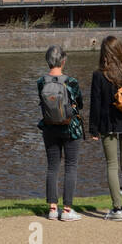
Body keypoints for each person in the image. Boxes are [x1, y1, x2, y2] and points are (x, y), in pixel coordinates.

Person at [89, 35, 122, 221]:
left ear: (104, 53)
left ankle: (116, 209)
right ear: (120, 51)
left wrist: (93, 129)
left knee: (112, 165)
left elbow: (95, 104)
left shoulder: (99, 75)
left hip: (108, 125)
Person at [37, 45, 84, 221]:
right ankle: (67, 210)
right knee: (70, 166)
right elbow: (79, 103)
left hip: (49, 128)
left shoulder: (41, 81)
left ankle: (52, 208)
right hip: (70, 128)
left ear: (47, 61)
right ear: (63, 61)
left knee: (52, 167)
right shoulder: (71, 81)